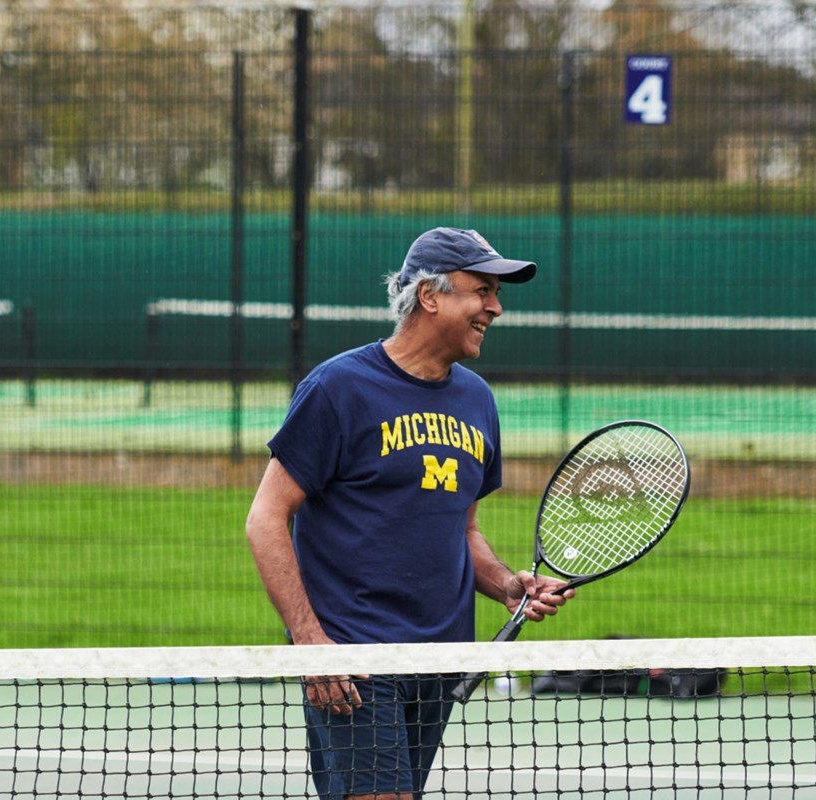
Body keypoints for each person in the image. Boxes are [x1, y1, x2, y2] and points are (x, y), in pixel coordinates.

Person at [245, 226, 574, 800]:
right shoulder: (338, 387)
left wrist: (506, 584)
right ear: (430, 295)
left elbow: (462, 529)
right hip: (356, 661)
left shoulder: (478, 400)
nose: (495, 308)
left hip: (440, 659)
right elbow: (266, 519)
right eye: (482, 290)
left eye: (497, 294)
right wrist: (311, 643)